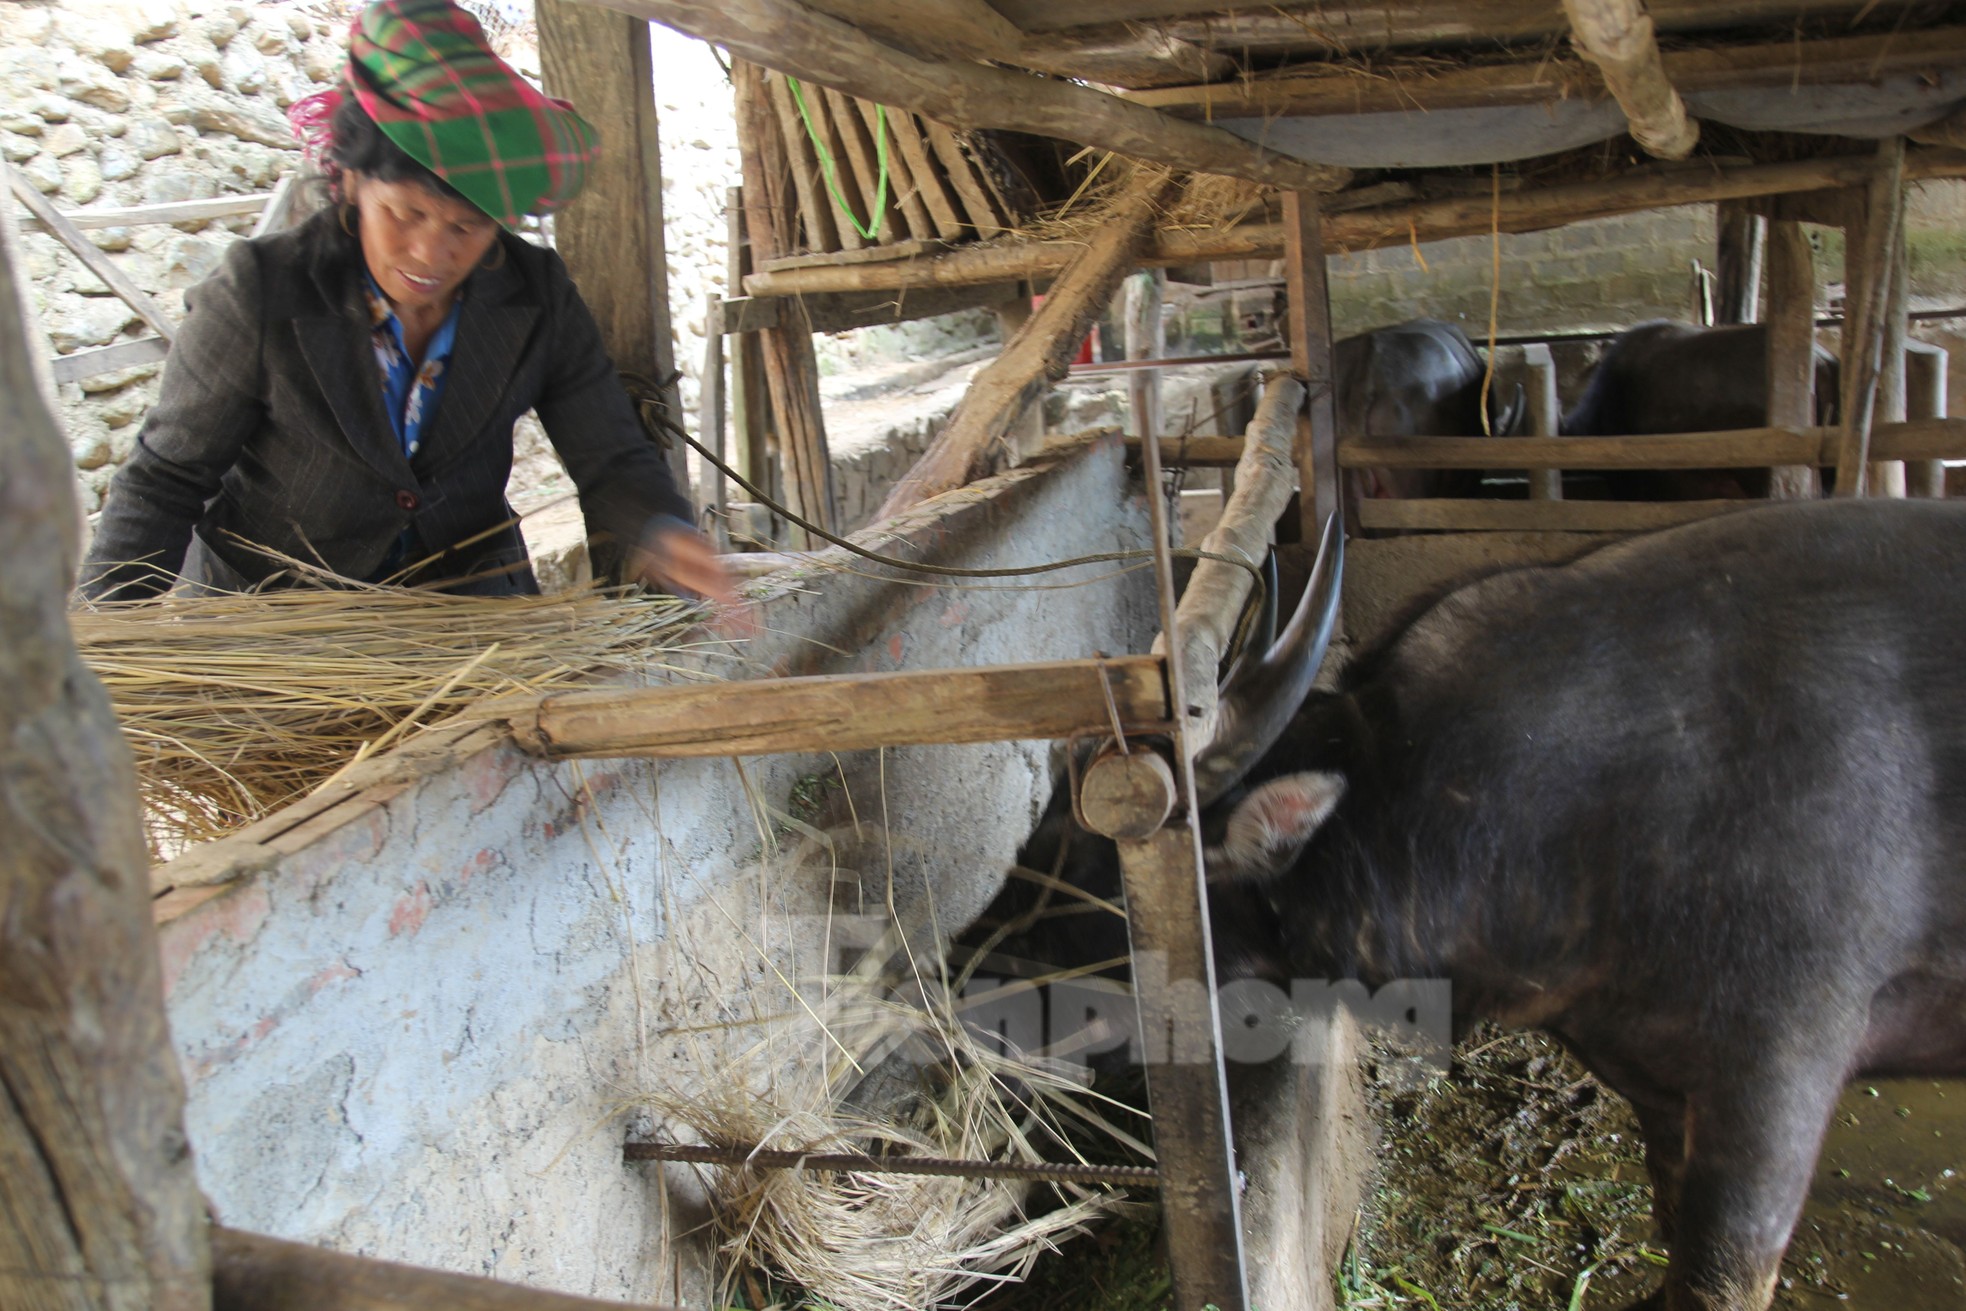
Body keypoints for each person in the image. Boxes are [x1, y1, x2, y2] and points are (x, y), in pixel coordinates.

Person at [79, 0, 734, 606]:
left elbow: (611, 457)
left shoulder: (536, 295)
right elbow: (165, 480)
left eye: (464, 228)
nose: (429, 253)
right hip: (272, 624)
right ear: (355, 181)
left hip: (466, 620)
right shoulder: (261, 290)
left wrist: (660, 529)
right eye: (406, 213)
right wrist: (105, 639)